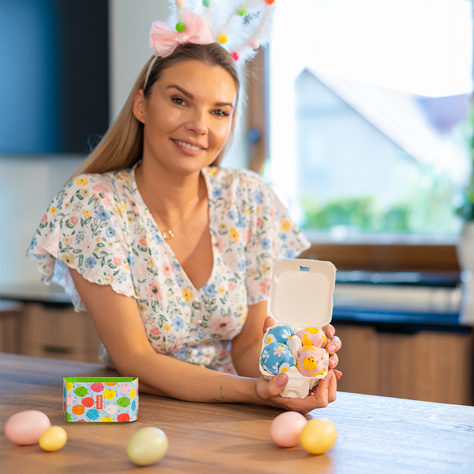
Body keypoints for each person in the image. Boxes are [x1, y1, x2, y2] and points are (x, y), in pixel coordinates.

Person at [27, 4, 341, 414]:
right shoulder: (94, 204)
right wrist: (252, 392)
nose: (200, 126)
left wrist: (284, 375)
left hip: (232, 416)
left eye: (219, 111)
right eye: (180, 100)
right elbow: (134, 359)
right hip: (143, 413)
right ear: (142, 105)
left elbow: (248, 344)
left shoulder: (249, 198)